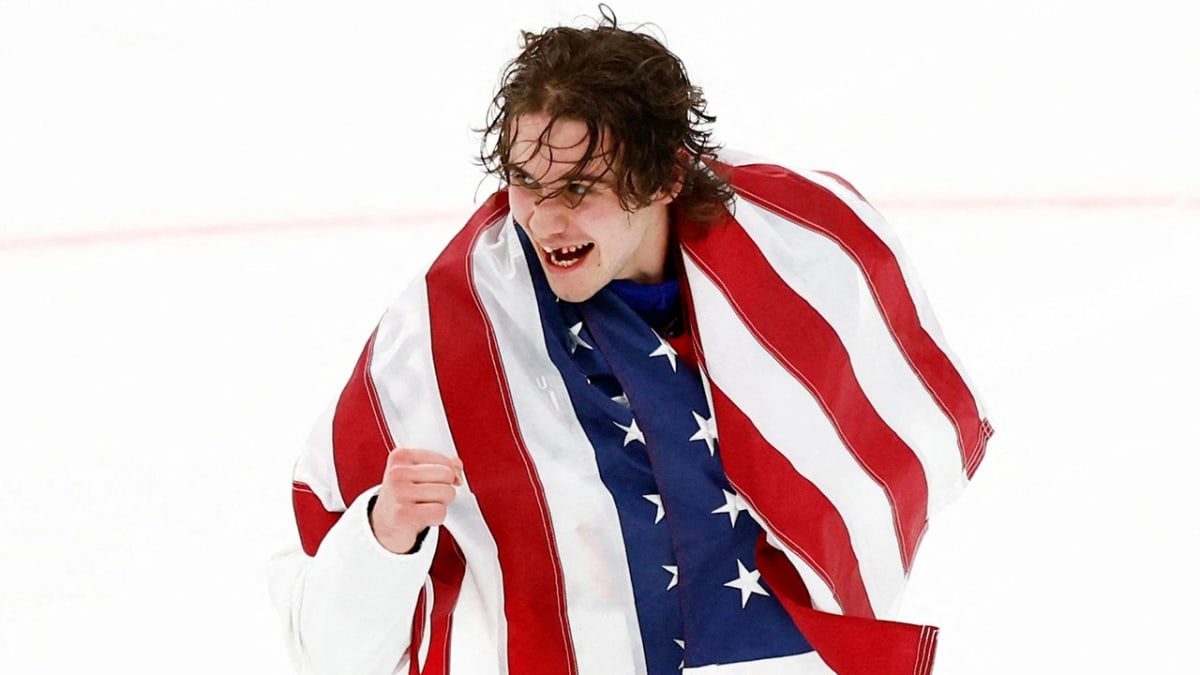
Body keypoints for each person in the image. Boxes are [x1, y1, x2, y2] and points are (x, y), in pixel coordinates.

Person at [269, 8, 992, 675]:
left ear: (666, 176)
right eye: (525, 182)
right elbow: (323, 650)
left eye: (581, 188)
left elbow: (902, 452)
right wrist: (384, 535)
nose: (545, 219)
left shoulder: (803, 257)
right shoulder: (442, 342)